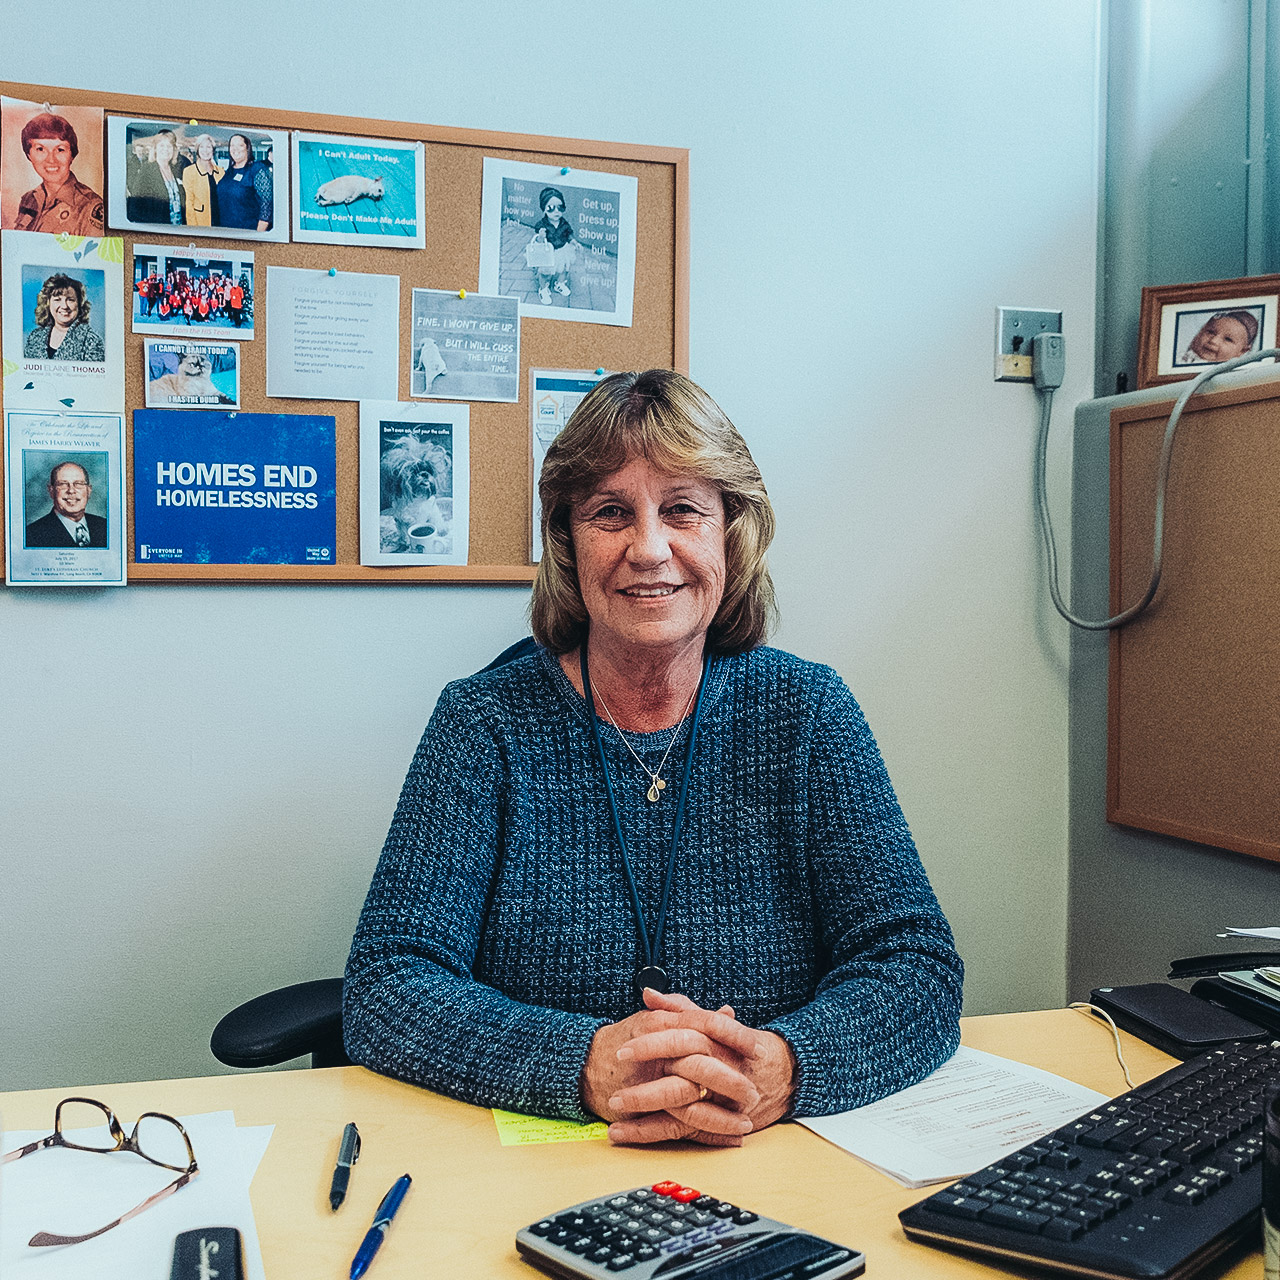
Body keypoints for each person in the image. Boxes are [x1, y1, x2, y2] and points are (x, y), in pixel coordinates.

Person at [344, 369, 963, 1144]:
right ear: (567, 541)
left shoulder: (807, 713)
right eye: (610, 513)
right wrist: (579, 1063)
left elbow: (916, 967)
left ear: (728, 534)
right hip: (545, 1167)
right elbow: (386, 985)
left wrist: (788, 1067)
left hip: (770, 1158)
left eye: (682, 510)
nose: (649, 548)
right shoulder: (483, 724)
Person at [11, 112, 103, 235]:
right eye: (40, 149)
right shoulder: (29, 200)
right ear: (29, 155)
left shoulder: (90, 206)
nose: (51, 160)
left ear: (72, 155)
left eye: (60, 150)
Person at [25, 460, 108, 548]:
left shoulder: (105, 527)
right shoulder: (31, 535)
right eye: (63, 484)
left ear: (89, 490)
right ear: (51, 491)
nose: (71, 491)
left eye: (78, 484)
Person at [22, 274, 105, 362]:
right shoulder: (35, 337)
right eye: (57, 300)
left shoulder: (92, 341)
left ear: (80, 304)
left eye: (70, 300)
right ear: (47, 303)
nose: (64, 306)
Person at [528, 185, 576, 306]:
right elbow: (539, 242)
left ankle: (560, 284)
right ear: (543, 208)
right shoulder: (542, 224)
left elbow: (568, 233)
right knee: (545, 272)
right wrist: (540, 237)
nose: (556, 212)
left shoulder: (564, 222)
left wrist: (573, 241)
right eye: (551, 208)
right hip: (548, 252)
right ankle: (543, 289)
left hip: (563, 250)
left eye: (560, 207)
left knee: (564, 269)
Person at [126, 129, 185, 226]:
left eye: (169, 146)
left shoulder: (176, 170)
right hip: (158, 231)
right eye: (162, 145)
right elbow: (134, 206)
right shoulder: (147, 170)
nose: (165, 149)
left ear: (174, 150)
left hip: (178, 230)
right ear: (155, 148)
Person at [216, 133, 272, 232]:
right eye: (232, 145)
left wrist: (258, 236)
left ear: (247, 148)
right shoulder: (229, 172)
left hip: (247, 233)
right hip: (225, 232)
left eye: (240, 145)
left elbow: (267, 205)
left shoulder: (256, 169)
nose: (235, 149)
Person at [1178, 309, 1259, 366]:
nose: (1213, 341)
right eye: (1210, 332)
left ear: (1242, 351)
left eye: (1228, 339)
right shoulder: (1180, 359)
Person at [181, 134, 223, 227]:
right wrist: (193, 228)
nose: (205, 150)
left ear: (213, 150)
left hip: (220, 221)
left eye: (208, 147)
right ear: (197, 150)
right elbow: (189, 203)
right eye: (202, 147)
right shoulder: (189, 171)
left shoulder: (221, 172)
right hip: (200, 223)